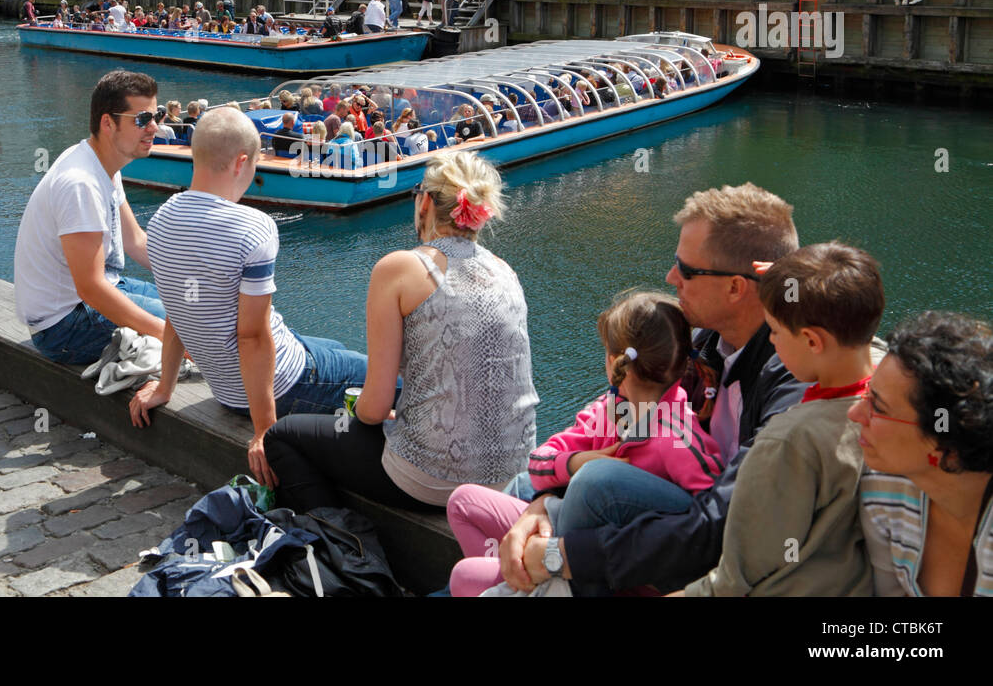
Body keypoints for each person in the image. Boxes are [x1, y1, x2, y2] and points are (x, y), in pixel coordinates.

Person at [497, 183, 805, 595]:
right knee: (526, 485)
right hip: (662, 521)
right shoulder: (702, 345)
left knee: (596, 482)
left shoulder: (790, 381)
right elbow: (619, 420)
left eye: (687, 269)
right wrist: (546, 501)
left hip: (718, 557)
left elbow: (723, 524)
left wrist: (563, 553)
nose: (670, 277)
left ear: (735, 287)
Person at [264, 151, 536, 510]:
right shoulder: (505, 271)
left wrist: (367, 413)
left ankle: (336, 543)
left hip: (436, 480)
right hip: (511, 475)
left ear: (424, 202)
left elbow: (373, 409)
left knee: (282, 436)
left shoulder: (400, 268)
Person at [131, 108, 370, 487]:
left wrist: (165, 388)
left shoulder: (161, 222)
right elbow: (253, 337)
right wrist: (264, 432)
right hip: (284, 384)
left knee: (334, 346)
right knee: (387, 377)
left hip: (228, 390)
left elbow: (179, 310)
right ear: (242, 162)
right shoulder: (253, 227)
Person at [448, 291, 722, 597]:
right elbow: (539, 462)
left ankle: (518, 582)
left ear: (613, 362)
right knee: (463, 502)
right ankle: (517, 579)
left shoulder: (678, 437)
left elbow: (709, 518)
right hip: (564, 536)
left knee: (464, 577)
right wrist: (578, 462)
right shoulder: (610, 410)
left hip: (609, 564)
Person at [679, 242, 882, 597]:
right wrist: (806, 288)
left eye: (773, 331)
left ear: (811, 340)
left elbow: (733, 580)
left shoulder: (788, 438)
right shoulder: (892, 396)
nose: (770, 342)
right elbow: (853, 325)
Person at [13, 71, 168, 365]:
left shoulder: (104, 165)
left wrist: (194, 280)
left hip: (95, 296)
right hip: (63, 326)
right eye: (142, 119)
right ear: (107, 123)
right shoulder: (80, 184)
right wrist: (166, 334)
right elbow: (91, 287)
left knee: (196, 310)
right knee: (192, 330)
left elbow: (136, 242)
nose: (154, 128)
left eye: (156, 115)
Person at [854, 311, 993, 597]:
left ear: (945, 446)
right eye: (867, 395)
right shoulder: (886, 486)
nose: (855, 413)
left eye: (877, 407)